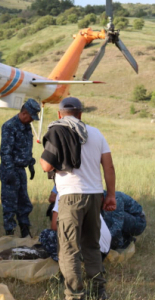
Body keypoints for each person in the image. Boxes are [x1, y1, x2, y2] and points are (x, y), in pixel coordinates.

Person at [40, 97, 116, 300]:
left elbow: (46, 166)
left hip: (71, 197)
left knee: (68, 248)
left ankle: (75, 295)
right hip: (94, 197)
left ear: (59, 114)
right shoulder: (96, 133)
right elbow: (108, 167)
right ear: (81, 114)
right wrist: (110, 195)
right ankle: (99, 292)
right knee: (91, 245)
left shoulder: (58, 131)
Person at [0, 98, 40, 237]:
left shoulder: (27, 127)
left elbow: (25, 148)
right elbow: (5, 152)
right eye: (31, 117)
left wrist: (30, 162)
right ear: (24, 113)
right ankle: (9, 234)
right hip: (10, 169)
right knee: (10, 204)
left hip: (21, 170)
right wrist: (9, 171)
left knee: (24, 202)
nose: (32, 121)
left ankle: (25, 232)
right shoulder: (10, 126)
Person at [39, 192, 111, 262]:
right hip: (103, 252)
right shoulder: (87, 191)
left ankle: (68, 260)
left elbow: (54, 226)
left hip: (88, 251)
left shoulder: (62, 193)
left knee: (46, 234)